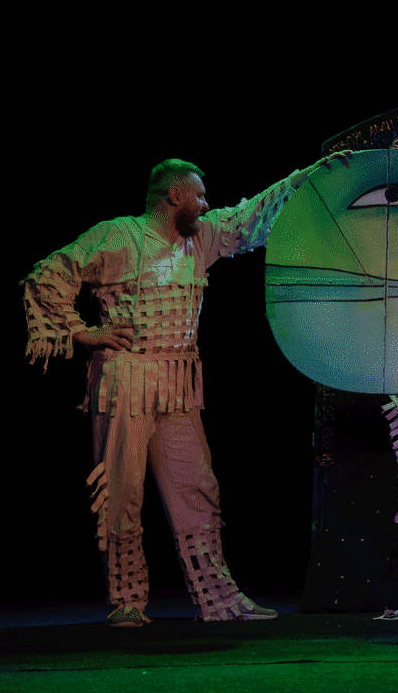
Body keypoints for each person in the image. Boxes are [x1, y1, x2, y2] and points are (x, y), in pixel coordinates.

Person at [22, 152, 349, 626]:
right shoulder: (117, 235)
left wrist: (308, 176)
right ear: (174, 195)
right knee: (121, 492)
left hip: (177, 383)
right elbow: (47, 275)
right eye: (199, 195)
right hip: (126, 378)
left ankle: (216, 597)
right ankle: (127, 599)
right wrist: (82, 332)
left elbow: (251, 216)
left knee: (197, 488)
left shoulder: (201, 238)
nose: (205, 204)